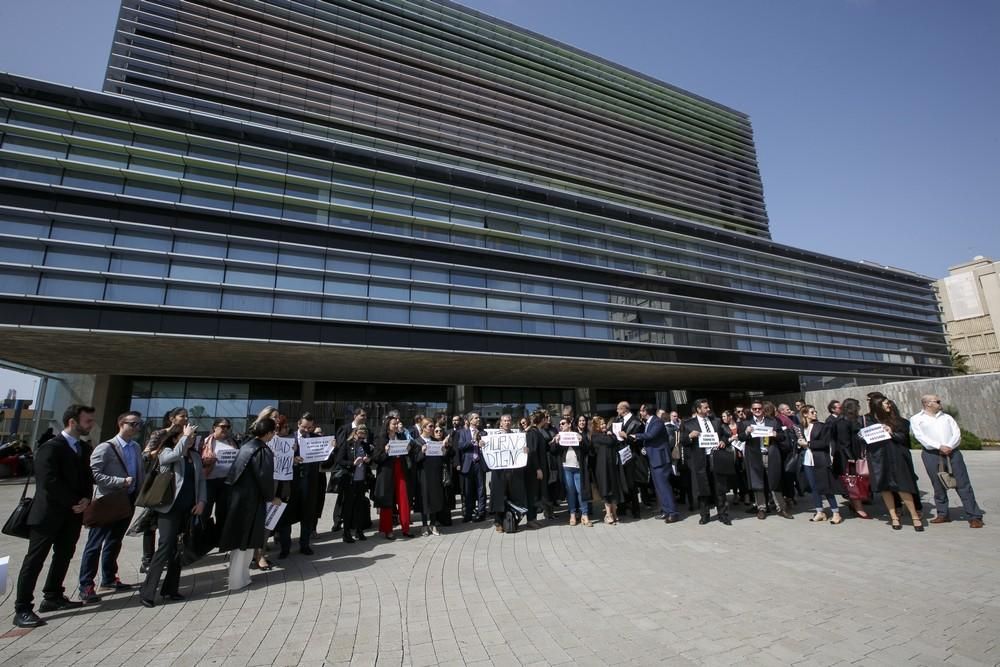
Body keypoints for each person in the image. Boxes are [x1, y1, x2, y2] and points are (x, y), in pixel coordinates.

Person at [12, 405, 95, 628]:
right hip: (47, 514)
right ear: (72, 422)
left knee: (64, 555)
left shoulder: (83, 449)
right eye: (88, 421)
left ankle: (53, 596)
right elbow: (48, 482)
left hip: (72, 515)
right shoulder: (50, 447)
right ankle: (22, 608)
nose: (91, 424)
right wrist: (74, 502)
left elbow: (88, 478)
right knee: (35, 559)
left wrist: (86, 498)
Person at [139, 417, 206, 607]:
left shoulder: (194, 457)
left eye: (193, 437)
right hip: (169, 509)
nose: (192, 439)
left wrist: (201, 501)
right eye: (187, 436)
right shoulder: (166, 452)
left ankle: (171, 588)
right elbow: (170, 458)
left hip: (188, 508)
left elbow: (201, 481)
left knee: (179, 549)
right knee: (165, 546)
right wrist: (184, 439)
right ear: (176, 438)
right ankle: (148, 591)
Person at [78, 411, 144, 604]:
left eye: (139, 424)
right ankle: (86, 585)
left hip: (127, 500)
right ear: (121, 424)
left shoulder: (136, 447)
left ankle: (109, 578)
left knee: (115, 541)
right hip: (108, 501)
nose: (137, 428)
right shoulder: (106, 448)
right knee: (95, 544)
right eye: (133, 424)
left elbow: (139, 473)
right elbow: (94, 474)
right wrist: (120, 481)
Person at [219, 417, 276, 592]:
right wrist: (271, 497)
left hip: (238, 498)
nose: (273, 435)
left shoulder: (247, 446)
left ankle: (241, 577)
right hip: (252, 500)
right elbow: (265, 477)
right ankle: (238, 579)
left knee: (241, 539)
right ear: (268, 433)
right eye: (273, 432)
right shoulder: (262, 451)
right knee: (246, 540)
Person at [910, 395, 984, 528]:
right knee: (938, 484)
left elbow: (956, 433)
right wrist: (939, 447)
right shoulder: (917, 419)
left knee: (963, 484)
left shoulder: (947, 417)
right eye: (937, 401)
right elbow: (920, 436)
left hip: (953, 452)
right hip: (931, 454)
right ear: (927, 404)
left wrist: (949, 446)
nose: (940, 403)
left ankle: (974, 516)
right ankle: (943, 513)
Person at [861, 396, 922, 532]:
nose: (888, 405)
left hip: (896, 456)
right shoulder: (868, 421)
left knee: (903, 486)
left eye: (888, 403)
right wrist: (862, 436)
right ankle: (893, 516)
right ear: (877, 406)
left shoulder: (899, 421)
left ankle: (914, 516)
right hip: (878, 457)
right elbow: (863, 439)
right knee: (885, 487)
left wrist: (891, 432)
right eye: (885, 404)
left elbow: (904, 439)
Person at [140, 408, 190, 573]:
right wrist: (161, 451)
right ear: (172, 418)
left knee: (167, 525)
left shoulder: (186, 434)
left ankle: (167, 555)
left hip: (175, 482)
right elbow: (146, 455)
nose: (185, 419)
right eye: (182, 416)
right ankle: (147, 559)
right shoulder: (159, 434)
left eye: (186, 416)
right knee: (151, 521)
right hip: (159, 480)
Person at [276, 413, 326, 557]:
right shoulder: (287, 438)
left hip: (309, 484)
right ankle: (285, 548)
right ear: (298, 424)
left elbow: (327, 460)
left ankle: (305, 545)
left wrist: (330, 449)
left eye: (310, 428)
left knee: (307, 515)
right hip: (290, 484)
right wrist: (292, 459)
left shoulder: (317, 439)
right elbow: (278, 458)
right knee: (287, 516)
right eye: (304, 427)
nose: (306, 430)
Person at [679, 399, 734, 525]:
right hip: (700, 460)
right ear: (698, 409)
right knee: (702, 488)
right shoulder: (689, 424)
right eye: (705, 408)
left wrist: (723, 441)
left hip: (716, 457)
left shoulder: (716, 421)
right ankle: (705, 515)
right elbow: (682, 441)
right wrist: (689, 436)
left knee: (719, 488)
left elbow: (727, 434)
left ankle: (723, 514)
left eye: (708, 407)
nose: (708, 409)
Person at [628, 404, 679, 523]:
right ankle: (665, 511)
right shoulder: (648, 422)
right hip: (654, 459)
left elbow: (651, 435)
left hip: (660, 459)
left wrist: (635, 435)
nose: (640, 413)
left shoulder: (657, 422)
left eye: (641, 410)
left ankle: (673, 513)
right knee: (659, 488)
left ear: (646, 411)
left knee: (664, 486)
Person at [738, 401, 787, 520]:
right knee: (757, 482)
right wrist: (746, 432)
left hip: (770, 454)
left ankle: (781, 508)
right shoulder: (746, 423)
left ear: (763, 409)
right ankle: (761, 508)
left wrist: (776, 434)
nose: (757, 411)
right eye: (754, 409)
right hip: (755, 456)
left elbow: (782, 436)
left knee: (775, 481)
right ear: (751, 410)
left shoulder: (773, 421)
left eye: (759, 408)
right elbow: (741, 438)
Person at [797, 405, 842, 524]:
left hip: (820, 460)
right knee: (814, 487)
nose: (815, 413)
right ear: (805, 414)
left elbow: (824, 443)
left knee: (826, 486)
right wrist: (798, 443)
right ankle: (820, 511)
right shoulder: (801, 428)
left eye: (815, 411)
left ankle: (836, 512)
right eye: (812, 412)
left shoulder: (822, 426)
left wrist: (808, 444)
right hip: (807, 460)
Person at [372, 416, 415, 539]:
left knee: (404, 499)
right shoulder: (381, 439)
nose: (396, 426)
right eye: (394, 424)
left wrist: (408, 450)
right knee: (387, 501)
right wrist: (385, 452)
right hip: (387, 472)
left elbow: (407, 453)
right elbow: (376, 459)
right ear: (387, 425)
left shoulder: (401, 437)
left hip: (400, 471)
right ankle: (387, 530)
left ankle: (406, 528)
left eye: (397, 424)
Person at [200, 417, 238, 540]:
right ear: (214, 427)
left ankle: (220, 538)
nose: (225, 429)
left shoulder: (232, 442)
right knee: (205, 511)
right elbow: (196, 461)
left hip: (225, 482)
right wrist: (206, 461)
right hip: (208, 481)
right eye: (222, 426)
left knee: (223, 512)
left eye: (228, 427)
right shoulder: (205, 442)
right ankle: (201, 537)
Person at [550, 416, 592, 526]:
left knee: (580, 491)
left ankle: (584, 514)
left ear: (569, 424)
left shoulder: (577, 434)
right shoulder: (559, 436)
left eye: (563, 423)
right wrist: (556, 442)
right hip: (566, 468)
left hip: (578, 467)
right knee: (570, 492)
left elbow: (587, 449)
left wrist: (581, 440)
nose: (561, 426)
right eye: (560, 424)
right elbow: (553, 451)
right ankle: (572, 514)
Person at [331, 408, 368, 532]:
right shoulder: (345, 429)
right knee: (342, 499)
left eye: (365, 416)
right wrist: (351, 462)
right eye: (362, 415)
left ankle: (355, 525)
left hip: (360, 475)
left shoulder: (366, 434)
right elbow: (340, 452)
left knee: (357, 501)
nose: (364, 418)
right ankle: (338, 522)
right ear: (355, 416)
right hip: (347, 472)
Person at [414, 419, 452, 535]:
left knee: (435, 498)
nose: (432, 429)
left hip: (435, 473)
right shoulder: (416, 442)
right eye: (430, 426)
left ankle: (433, 524)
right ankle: (424, 525)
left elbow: (443, 458)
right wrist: (422, 452)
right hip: (424, 474)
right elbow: (414, 460)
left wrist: (444, 450)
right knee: (424, 499)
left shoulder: (435, 441)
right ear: (423, 428)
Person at [835, 398, 870, 519]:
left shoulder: (852, 419)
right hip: (849, 457)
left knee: (856, 481)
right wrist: (850, 458)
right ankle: (858, 508)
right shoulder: (843, 421)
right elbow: (844, 442)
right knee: (853, 482)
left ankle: (855, 504)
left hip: (855, 453)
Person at [336, 425, 372, 543]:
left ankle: (359, 531)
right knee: (348, 507)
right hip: (350, 480)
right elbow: (339, 461)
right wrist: (352, 463)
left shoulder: (365, 446)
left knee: (359, 506)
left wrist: (368, 460)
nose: (362, 439)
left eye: (364, 437)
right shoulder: (347, 445)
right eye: (360, 436)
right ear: (355, 434)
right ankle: (346, 533)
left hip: (361, 480)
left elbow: (370, 458)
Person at [610, 401, 645, 519]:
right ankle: (622, 507)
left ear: (625, 409)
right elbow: (612, 431)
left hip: (631, 456)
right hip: (619, 454)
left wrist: (627, 437)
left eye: (618, 409)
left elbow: (640, 440)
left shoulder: (637, 422)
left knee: (631, 483)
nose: (617, 411)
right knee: (620, 481)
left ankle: (636, 509)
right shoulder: (617, 420)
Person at [589, 416, 623, 524]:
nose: (604, 425)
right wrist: (611, 436)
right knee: (606, 490)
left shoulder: (607, 435)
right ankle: (608, 514)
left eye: (604, 423)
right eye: (601, 424)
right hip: (602, 468)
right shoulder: (595, 436)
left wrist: (612, 436)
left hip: (612, 466)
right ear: (596, 426)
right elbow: (610, 441)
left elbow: (615, 441)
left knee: (613, 489)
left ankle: (614, 513)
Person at [456, 412, 488, 523]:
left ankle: (481, 513)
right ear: (470, 420)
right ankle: (468, 514)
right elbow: (460, 446)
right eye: (476, 418)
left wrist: (484, 444)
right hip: (468, 464)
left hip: (479, 463)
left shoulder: (484, 432)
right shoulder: (463, 433)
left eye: (479, 417)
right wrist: (472, 441)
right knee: (468, 491)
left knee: (481, 489)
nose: (478, 419)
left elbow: (489, 447)